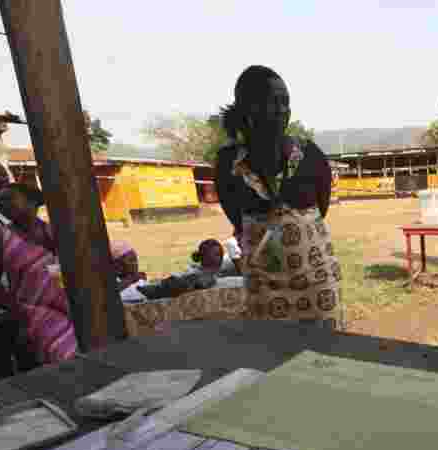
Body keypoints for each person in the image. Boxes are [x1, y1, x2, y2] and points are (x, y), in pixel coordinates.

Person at [215, 65, 343, 330]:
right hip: (264, 286)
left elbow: (322, 207)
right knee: (272, 359)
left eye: (286, 102)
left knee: (326, 359)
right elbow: (235, 215)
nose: (283, 110)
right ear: (248, 107)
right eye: (273, 102)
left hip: (316, 282)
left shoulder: (310, 155)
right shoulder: (228, 162)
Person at [0, 183, 77, 365]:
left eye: (9, 199)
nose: (3, 206)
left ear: (32, 202)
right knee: (64, 353)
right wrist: (16, 312)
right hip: (33, 310)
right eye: (0, 202)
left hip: (70, 305)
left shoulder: (55, 232)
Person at [137, 239, 224, 300]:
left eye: (219, 254)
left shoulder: (211, 273)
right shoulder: (198, 272)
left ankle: (153, 288)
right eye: (215, 255)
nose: (219, 258)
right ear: (204, 257)